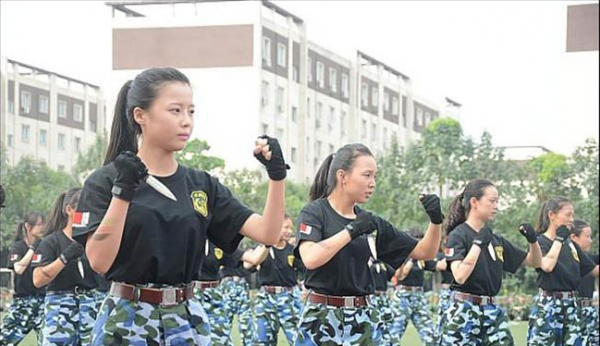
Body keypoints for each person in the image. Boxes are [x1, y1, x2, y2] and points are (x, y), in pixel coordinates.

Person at [72, 67, 288, 346]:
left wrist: (277, 175)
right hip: (127, 319)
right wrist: (123, 190)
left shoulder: (201, 185)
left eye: (191, 111)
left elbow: (268, 234)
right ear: (141, 115)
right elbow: (99, 261)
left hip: (186, 318)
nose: (186, 121)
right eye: (175, 111)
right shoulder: (105, 181)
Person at [295, 143, 443, 345]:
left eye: (375, 176)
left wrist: (435, 221)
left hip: (362, 319)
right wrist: (352, 230)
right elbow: (311, 258)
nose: (373, 183)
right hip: (321, 319)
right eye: (367, 175)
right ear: (342, 176)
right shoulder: (315, 212)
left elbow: (426, 252)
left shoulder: (371, 223)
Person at [441, 179, 543, 346]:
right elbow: (459, 276)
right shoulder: (458, 235)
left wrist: (533, 241)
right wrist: (478, 243)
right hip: (464, 311)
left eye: (498, 201)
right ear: (474, 202)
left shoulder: (495, 239)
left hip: (491, 310)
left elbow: (535, 262)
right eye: (492, 200)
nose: (496, 206)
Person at [527, 197, 599, 346]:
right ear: (551, 215)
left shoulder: (571, 244)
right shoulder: (540, 242)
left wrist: (563, 239)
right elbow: (547, 266)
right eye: (568, 215)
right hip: (549, 306)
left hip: (572, 306)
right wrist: (559, 239)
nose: (571, 219)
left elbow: (594, 270)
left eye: (573, 215)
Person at [32, 188, 99, 346]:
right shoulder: (51, 241)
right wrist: (64, 257)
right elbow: (38, 279)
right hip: (60, 307)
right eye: (83, 208)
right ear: (70, 210)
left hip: (89, 305)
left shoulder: (93, 241)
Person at [250, 214, 304, 345]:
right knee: (262, 341)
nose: (289, 231)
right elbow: (250, 264)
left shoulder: (293, 251)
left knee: (297, 339)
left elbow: (305, 269)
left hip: (289, 299)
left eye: (291, 228)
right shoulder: (263, 249)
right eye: (286, 227)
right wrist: (266, 243)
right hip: (266, 300)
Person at [0, 212, 46, 346]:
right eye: (39, 225)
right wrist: (33, 248)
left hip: (43, 301)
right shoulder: (18, 247)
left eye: (43, 224)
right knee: (4, 339)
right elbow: (19, 269)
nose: (42, 228)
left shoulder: (45, 245)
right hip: (23, 302)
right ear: (28, 226)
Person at [389, 228, 438, 346]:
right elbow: (401, 276)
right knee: (393, 336)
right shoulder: (402, 255)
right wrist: (412, 258)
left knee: (431, 335)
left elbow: (438, 266)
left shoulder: (422, 258)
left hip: (419, 297)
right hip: (402, 297)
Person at [571, 219, 599, 346]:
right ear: (574, 237)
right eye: (587, 236)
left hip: (590, 310)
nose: (590, 240)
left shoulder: (591, 258)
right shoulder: (565, 258)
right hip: (573, 311)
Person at [369, 258, 395, 345]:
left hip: (383, 297)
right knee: (374, 324)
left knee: (388, 322)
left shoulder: (384, 265)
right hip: (371, 297)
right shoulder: (366, 264)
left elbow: (393, 275)